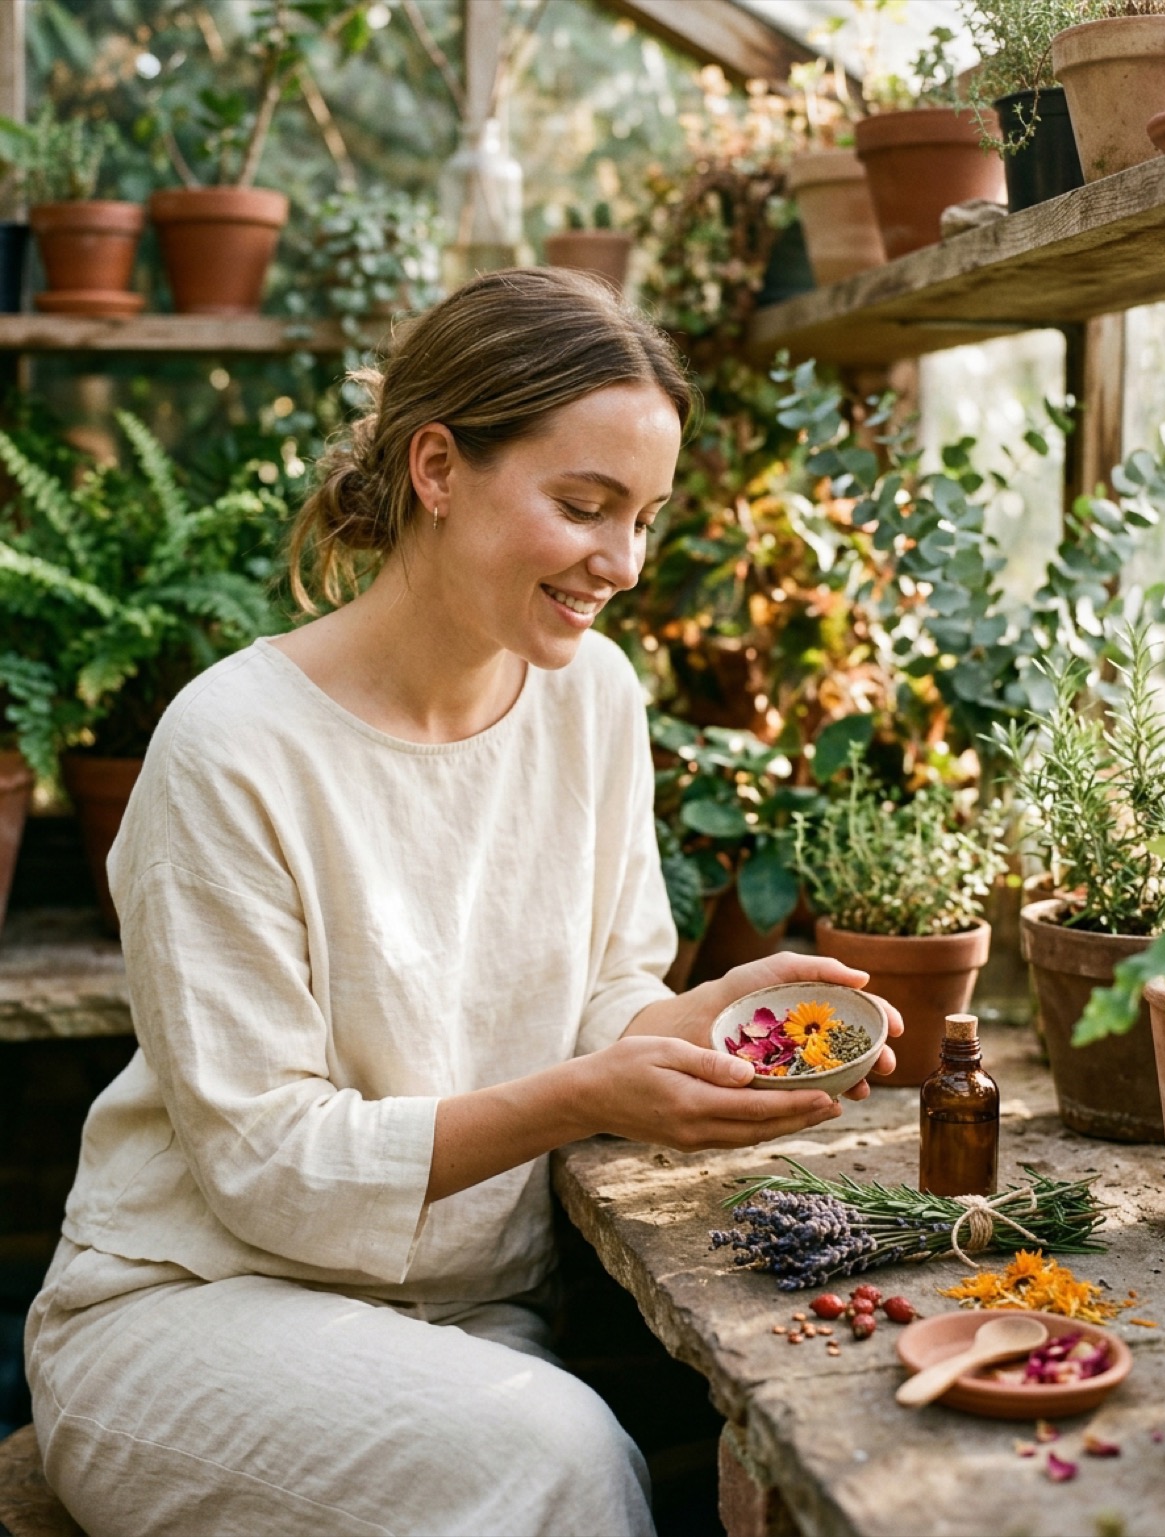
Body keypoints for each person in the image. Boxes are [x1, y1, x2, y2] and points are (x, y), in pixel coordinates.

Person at [24, 267, 900, 1537]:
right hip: (188, 1310)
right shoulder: (229, 747)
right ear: (437, 465)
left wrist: (688, 1023)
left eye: (644, 516)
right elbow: (267, 1165)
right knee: (553, 1461)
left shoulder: (591, 698)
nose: (624, 561)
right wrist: (584, 1093)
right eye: (585, 505)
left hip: (468, 1316)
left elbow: (601, 986)